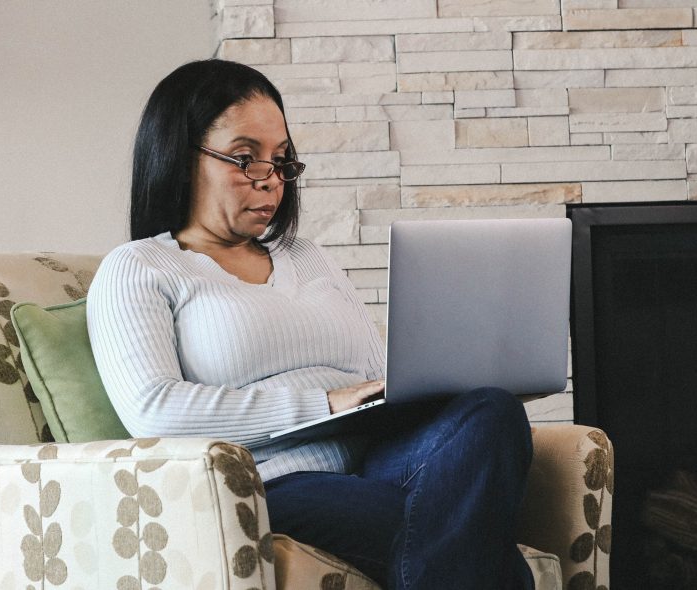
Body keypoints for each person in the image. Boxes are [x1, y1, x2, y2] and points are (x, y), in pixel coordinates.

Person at [86, 58, 534, 590]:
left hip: (379, 458)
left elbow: (374, 371)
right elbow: (154, 411)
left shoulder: (308, 257)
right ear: (182, 160)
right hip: (271, 480)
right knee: (471, 541)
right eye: (246, 159)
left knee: (491, 408)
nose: (270, 181)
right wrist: (324, 402)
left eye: (281, 161)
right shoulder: (141, 267)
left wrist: (423, 384)